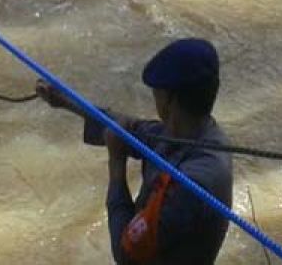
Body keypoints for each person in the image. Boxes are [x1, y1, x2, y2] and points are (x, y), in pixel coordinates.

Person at [35, 38, 233, 265]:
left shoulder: (190, 184)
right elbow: (128, 128)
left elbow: (126, 254)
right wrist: (66, 102)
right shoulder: (190, 132)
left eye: (156, 93)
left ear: (169, 99)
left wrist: (116, 166)